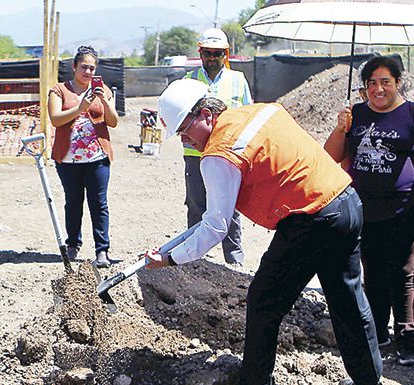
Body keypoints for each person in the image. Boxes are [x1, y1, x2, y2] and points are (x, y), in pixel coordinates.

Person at [148, 78, 383, 385]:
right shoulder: (259, 111)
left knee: (263, 302)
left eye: (184, 131)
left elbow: (216, 226)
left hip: (310, 220)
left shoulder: (219, 154)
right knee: (347, 298)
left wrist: (170, 258)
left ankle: (255, 379)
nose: (185, 141)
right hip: (345, 202)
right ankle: (369, 379)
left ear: (206, 114)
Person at [324, 55, 414, 366]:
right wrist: (340, 129)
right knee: (372, 272)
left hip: (404, 208)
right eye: (372, 83)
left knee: (403, 272)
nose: (378, 89)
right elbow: (330, 157)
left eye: (385, 82)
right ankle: (377, 333)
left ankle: (407, 339)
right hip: (363, 208)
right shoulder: (356, 114)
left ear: (398, 83)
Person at [181, 28, 252, 265]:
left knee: (229, 206)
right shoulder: (188, 81)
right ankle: (195, 260)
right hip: (195, 155)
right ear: (200, 53)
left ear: (226, 54)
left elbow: (246, 116)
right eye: (208, 53)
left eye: (217, 53)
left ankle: (234, 260)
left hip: (227, 155)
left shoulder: (238, 80)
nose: (212, 58)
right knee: (197, 204)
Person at [47, 45, 118, 268]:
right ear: (74, 66)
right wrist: (81, 107)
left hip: (97, 157)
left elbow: (113, 122)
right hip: (68, 160)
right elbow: (56, 119)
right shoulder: (59, 91)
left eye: (92, 68)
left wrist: (104, 101)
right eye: (84, 67)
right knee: (73, 203)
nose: (88, 72)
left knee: (99, 204)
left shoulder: (103, 89)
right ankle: (73, 244)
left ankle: (102, 250)